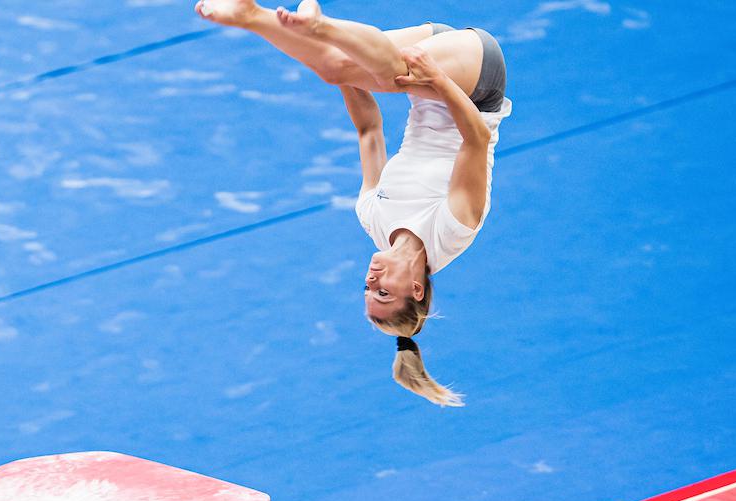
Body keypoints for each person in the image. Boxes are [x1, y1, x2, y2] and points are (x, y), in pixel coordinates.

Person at [195, 0, 511, 406]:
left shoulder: (373, 218)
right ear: (415, 289)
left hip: (431, 82)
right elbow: (477, 139)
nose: (372, 278)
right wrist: (435, 79)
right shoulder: (452, 231)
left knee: (334, 69)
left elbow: (368, 129)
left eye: (367, 287)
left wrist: (341, 72)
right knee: (372, 69)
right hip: (478, 84)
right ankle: (319, 25)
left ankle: (252, 16)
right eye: (383, 292)